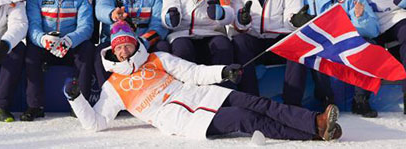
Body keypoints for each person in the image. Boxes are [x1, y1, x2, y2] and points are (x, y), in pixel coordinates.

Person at [66, 21, 342, 142]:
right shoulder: (113, 87)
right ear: (113, 51)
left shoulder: (157, 58)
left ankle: (316, 121)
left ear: (134, 45)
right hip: (182, 119)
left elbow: (194, 73)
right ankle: (312, 133)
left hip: (200, 95)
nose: (124, 50)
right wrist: (76, 98)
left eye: (127, 44)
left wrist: (224, 73)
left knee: (257, 102)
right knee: (247, 118)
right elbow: (96, 124)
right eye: (119, 47)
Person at [291, 0, 380, 109]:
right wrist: (297, 20)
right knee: (315, 52)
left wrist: (361, 19)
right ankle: (326, 99)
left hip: (344, 40)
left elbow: (373, 30)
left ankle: (361, 100)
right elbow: (291, 18)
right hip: (318, 41)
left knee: (368, 46)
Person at [229, 0, 305, 106]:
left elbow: (291, 16)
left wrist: (296, 20)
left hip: (277, 39)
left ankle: (292, 105)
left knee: (299, 44)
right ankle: (252, 102)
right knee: (239, 42)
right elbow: (235, 22)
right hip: (253, 39)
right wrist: (243, 20)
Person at [22, 0, 95, 122]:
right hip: (47, 43)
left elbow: (86, 26)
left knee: (87, 50)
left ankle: (80, 105)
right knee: (31, 53)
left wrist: (69, 40)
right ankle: (35, 106)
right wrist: (43, 39)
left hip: (70, 43)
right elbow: (32, 24)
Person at [94, 0, 170, 87]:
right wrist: (112, 14)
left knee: (163, 47)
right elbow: (100, 9)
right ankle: (105, 93)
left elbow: (159, 24)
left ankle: (158, 89)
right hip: (116, 42)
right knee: (99, 53)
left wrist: (142, 43)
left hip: (144, 40)